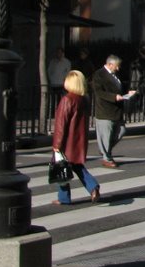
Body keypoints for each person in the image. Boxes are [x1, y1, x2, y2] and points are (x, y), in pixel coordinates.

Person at [51, 70, 100, 205]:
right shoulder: (83, 99)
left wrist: (57, 145)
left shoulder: (67, 99)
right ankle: (93, 187)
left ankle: (64, 197)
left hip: (67, 142)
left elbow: (61, 125)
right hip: (78, 141)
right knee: (78, 167)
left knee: (61, 168)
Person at [91, 55, 136, 168]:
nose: (118, 69)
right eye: (116, 66)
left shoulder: (115, 75)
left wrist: (127, 93)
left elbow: (119, 87)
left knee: (121, 130)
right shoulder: (99, 74)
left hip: (117, 110)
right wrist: (114, 97)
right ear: (110, 64)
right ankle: (107, 158)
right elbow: (99, 92)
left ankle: (105, 150)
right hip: (105, 110)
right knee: (106, 135)